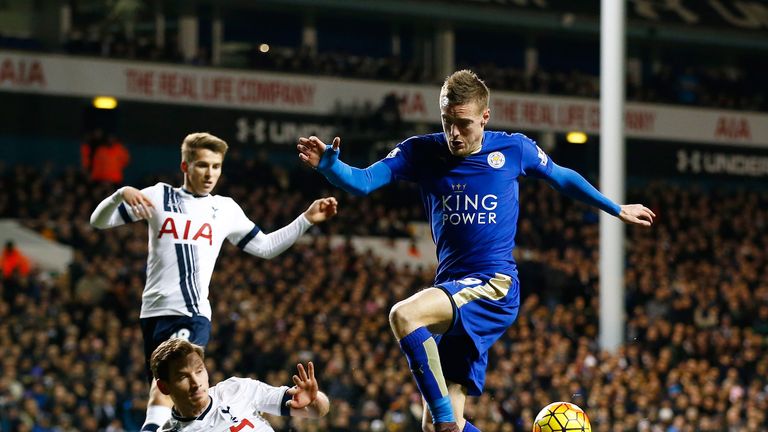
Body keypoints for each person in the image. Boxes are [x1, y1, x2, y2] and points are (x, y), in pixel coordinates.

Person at [297, 70, 655, 432]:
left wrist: (616, 208)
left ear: (485, 117)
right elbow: (363, 182)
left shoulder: (513, 149)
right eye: (447, 122)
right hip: (453, 290)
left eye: (464, 124)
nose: (454, 133)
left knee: (404, 317)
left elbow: (562, 177)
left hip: (493, 285)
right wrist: (331, 167)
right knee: (434, 427)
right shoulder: (420, 151)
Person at [90, 132, 338, 432]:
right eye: (203, 165)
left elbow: (265, 246)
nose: (210, 174)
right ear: (185, 167)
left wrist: (306, 220)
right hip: (153, 314)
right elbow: (98, 222)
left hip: (192, 311)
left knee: (168, 383)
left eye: (217, 167)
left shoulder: (225, 209)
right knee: (166, 387)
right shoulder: (158, 196)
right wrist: (121, 193)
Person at [150, 338, 329, 431]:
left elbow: (317, 411)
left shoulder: (237, 389)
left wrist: (314, 399)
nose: (196, 383)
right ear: (164, 387)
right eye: (183, 377)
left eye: (199, 371)